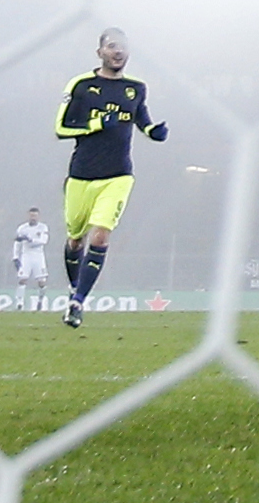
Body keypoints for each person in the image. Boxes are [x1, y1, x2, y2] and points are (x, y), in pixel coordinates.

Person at [53, 28, 167, 329]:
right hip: (81, 175)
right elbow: (62, 127)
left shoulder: (136, 88)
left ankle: (78, 303)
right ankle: (74, 287)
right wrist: (97, 123)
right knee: (75, 241)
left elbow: (141, 118)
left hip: (118, 175)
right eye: (112, 46)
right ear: (100, 52)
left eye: (123, 47)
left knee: (101, 235)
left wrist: (152, 131)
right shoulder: (82, 85)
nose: (118, 52)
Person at [12, 206, 50, 302]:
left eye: (35, 216)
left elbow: (43, 241)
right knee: (22, 279)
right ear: (28, 216)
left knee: (41, 282)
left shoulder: (43, 227)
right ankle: (19, 303)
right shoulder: (22, 228)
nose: (33, 218)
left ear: (38, 217)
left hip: (38, 256)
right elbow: (17, 243)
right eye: (31, 215)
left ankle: (40, 301)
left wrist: (30, 239)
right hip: (26, 256)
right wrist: (15, 257)